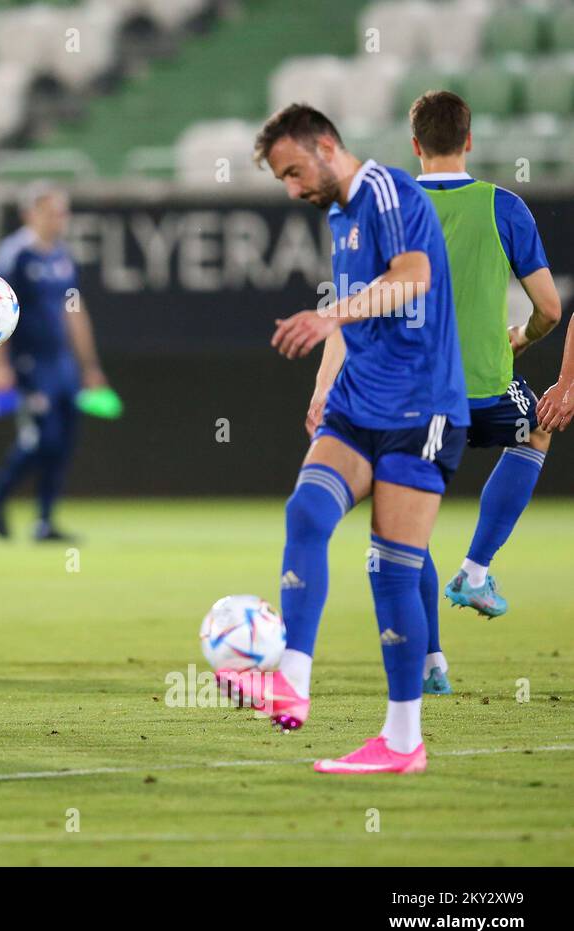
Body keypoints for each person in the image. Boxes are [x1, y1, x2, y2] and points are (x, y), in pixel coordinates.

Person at [224, 103, 469, 775]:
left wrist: (326, 314)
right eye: (282, 179)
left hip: (421, 409)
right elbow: (354, 308)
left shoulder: (388, 190)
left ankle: (402, 741)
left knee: (392, 572)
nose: (293, 189)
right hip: (358, 403)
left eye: (295, 171)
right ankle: (291, 679)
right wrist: (324, 385)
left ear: (328, 146)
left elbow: (412, 278)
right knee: (306, 512)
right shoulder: (338, 217)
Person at [310, 91, 561, 695]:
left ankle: (431, 667)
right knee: (538, 428)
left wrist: (324, 387)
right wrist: (519, 338)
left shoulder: (384, 211)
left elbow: (349, 315)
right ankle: (475, 570)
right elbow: (550, 309)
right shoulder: (505, 207)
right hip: (485, 387)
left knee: (402, 518)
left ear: (415, 144)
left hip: (410, 396)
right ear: (469, 140)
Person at [0, 183, 109, 541]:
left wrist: (89, 365)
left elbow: (73, 310)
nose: (59, 220)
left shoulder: (62, 256)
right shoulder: (15, 254)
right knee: (42, 438)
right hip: (29, 363)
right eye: (51, 212)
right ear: (30, 214)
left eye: (62, 213)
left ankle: (44, 521)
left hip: (62, 364)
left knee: (65, 440)